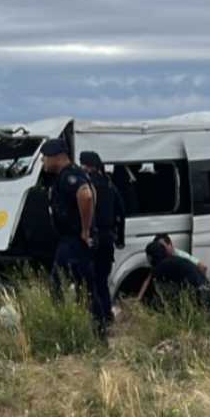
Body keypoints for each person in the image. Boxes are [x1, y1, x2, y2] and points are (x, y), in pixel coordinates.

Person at [42, 139, 108, 337]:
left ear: (56, 157)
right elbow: (92, 192)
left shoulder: (69, 176)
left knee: (61, 286)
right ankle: (96, 332)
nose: (43, 161)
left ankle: (68, 330)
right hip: (72, 242)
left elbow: (86, 195)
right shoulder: (75, 174)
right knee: (83, 287)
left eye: (45, 157)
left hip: (73, 242)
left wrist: (85, 229)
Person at [80, 151, 125, 326]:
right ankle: (106, 316)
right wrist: (120, 238)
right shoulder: (110, 185)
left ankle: (96, 320)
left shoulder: (87, 186)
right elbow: (121, 212)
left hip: (92, 239)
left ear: (87, 166)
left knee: (90, 282)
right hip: (107, 240)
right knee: (102, 282)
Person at [144, 241, 210, 309]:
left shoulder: (161, 266)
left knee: (159, 288)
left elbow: (157, 287)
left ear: (150, 257)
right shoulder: (175, 260)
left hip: (198, 296)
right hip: (208, 293)